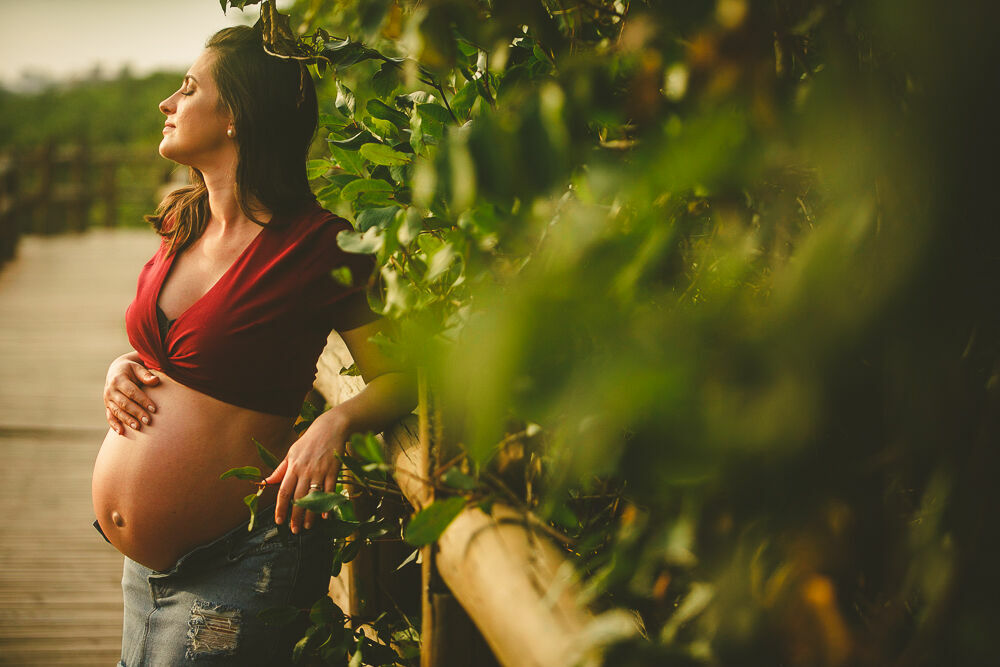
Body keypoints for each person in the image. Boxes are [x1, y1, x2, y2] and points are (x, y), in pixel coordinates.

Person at [91, 25, 415, 665]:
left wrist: (335, 423)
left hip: (236, 565)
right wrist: (120, 370)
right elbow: (181, 355)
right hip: (141, 572)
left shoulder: (323, 246)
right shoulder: (184, 222)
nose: (167, 103)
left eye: (187, 89)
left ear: (236, 114)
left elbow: (403, 376)